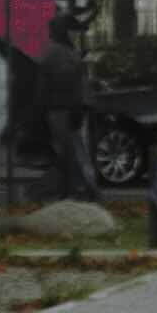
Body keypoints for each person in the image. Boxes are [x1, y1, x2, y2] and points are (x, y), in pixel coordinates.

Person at [36, 14, 100, 200]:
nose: (75, 34)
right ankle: (81, 191)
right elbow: (65, 82)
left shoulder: (64, 50)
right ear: (63, 31)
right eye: (72, 30)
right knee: (73, 153)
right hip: (65, 110)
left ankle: (79, 191)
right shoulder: (57, 52)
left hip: (69, 110)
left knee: (75, 152)